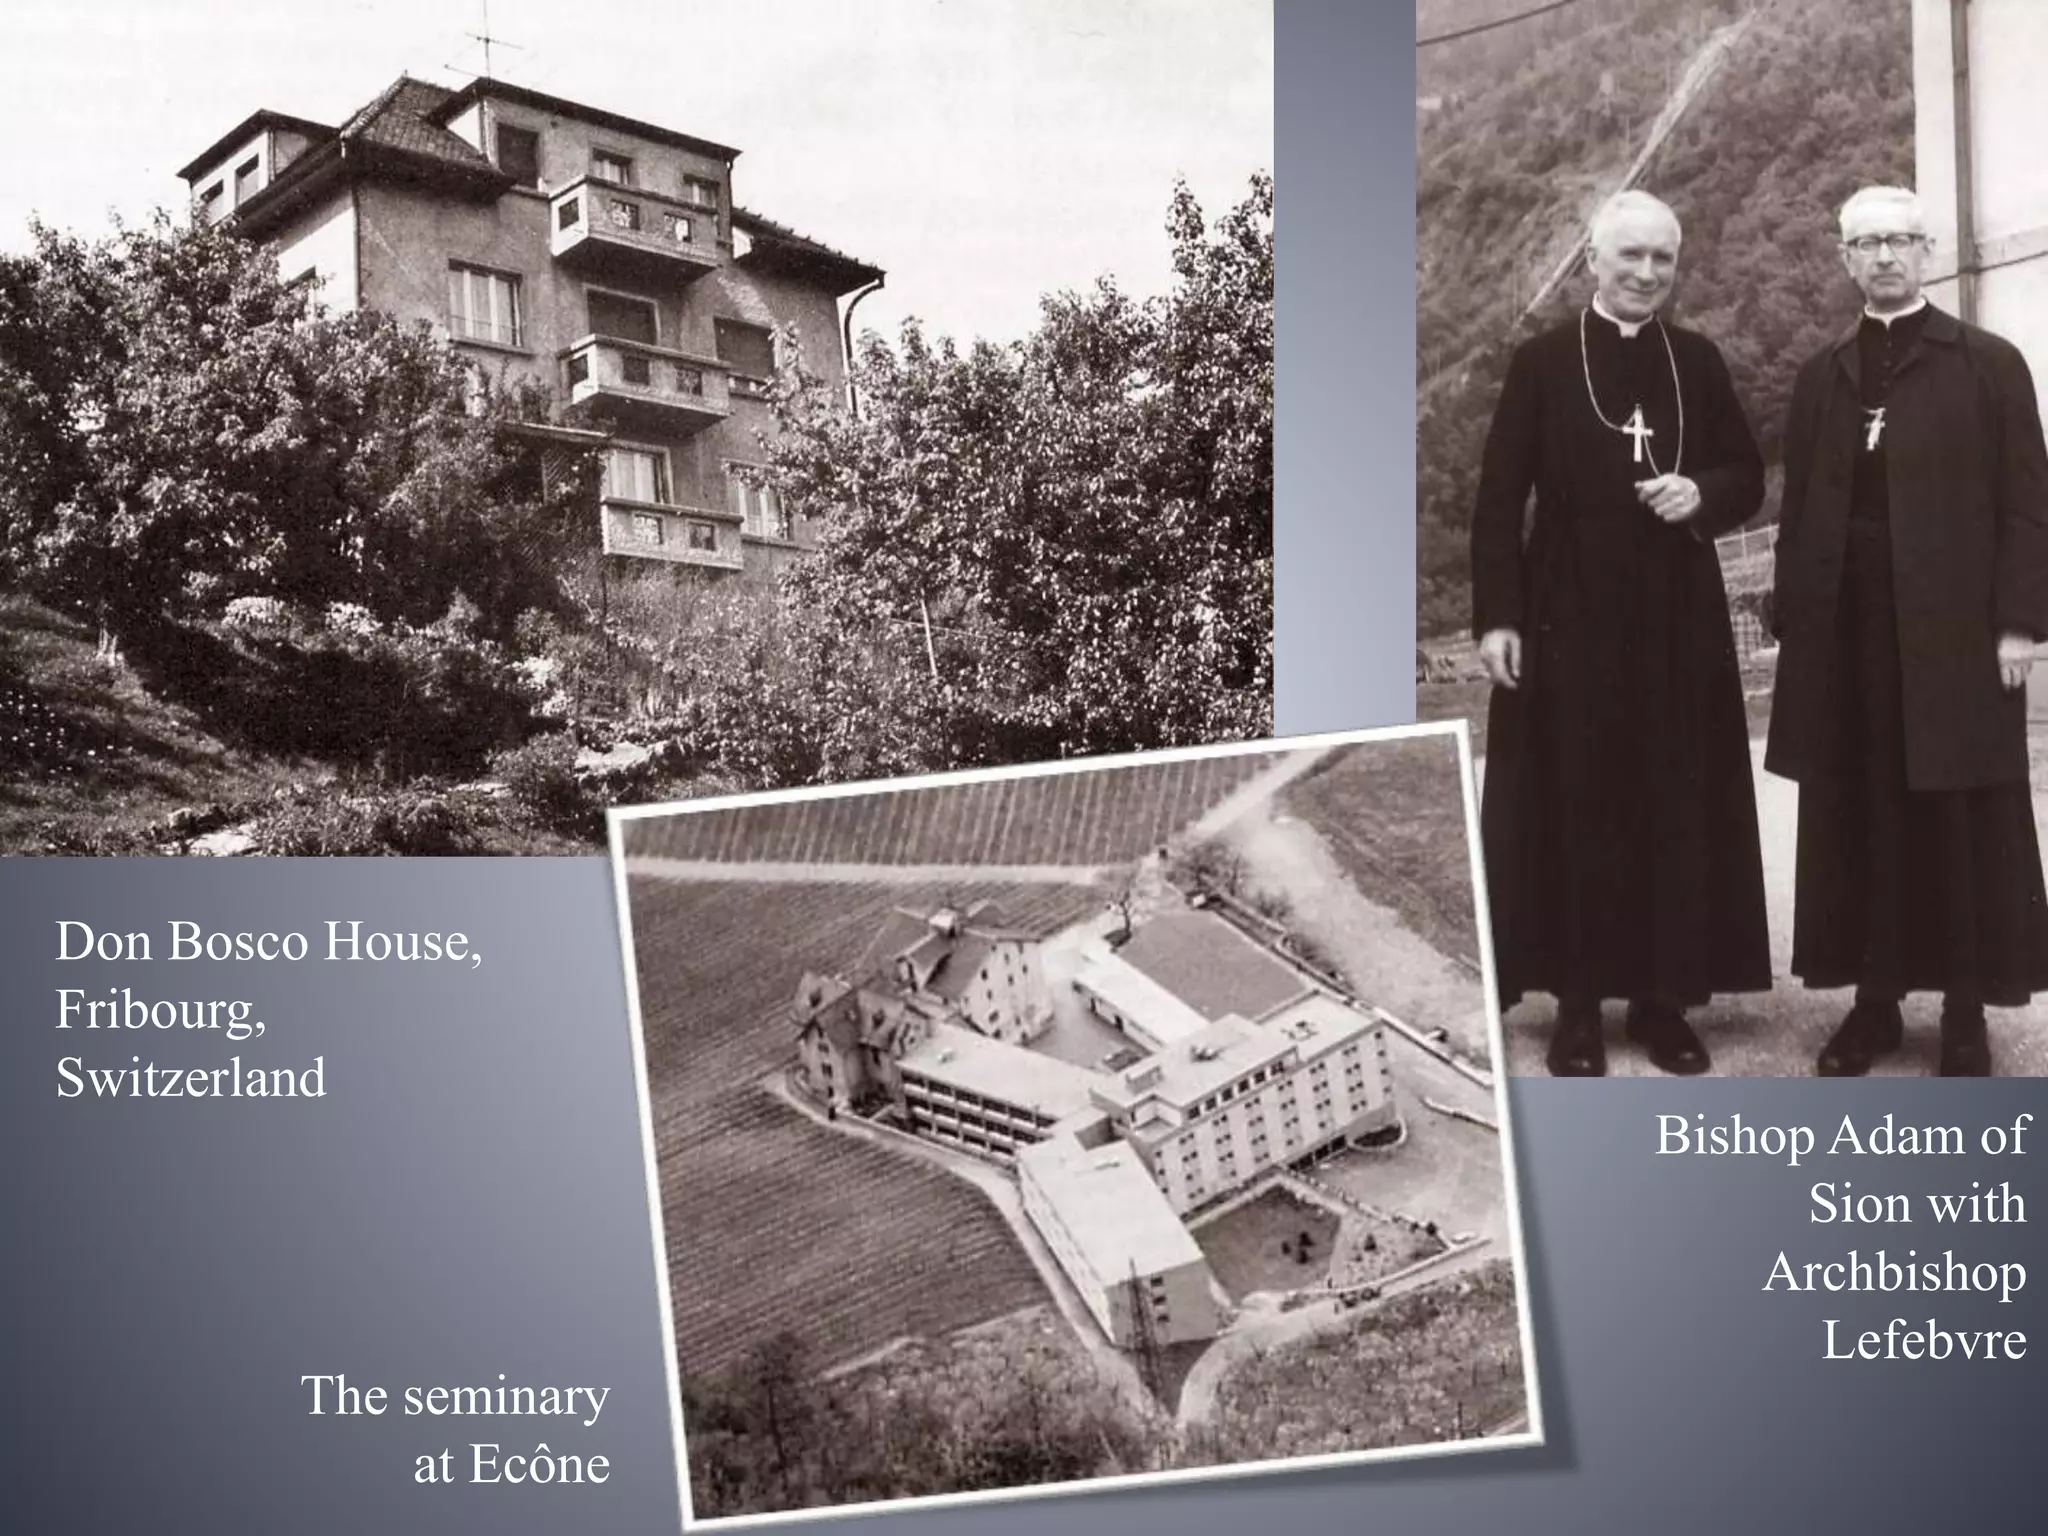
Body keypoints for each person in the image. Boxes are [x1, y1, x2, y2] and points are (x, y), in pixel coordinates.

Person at [1471, 189, 1772, 1077]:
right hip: (1568, 614)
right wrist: (1498, 616)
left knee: (1672, 800)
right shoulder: (1542, 363)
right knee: (1579, 804)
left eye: (1663, 260)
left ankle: (1661, 1001)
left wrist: (1702, 495)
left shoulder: (1699, 361)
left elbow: (1747, 476)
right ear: (1592, 260)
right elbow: (1498, 501)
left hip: (1677, 616)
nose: (1646, 274)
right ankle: (1576, 1006)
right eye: (1630, 256)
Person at [1766, 185, 2048, 1077]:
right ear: (1845, 258)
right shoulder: (1824, 375)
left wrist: (2020, 625)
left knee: (1958, 819)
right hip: (1849, 639)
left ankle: (1965, 1011)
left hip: (1959, 634)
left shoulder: (1988, 363)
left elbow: (2028, 505)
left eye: (1900, 240)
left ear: (1927, 251)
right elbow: (1799, 512)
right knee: (1862, 817)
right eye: (1866, 243)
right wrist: (1797, 622)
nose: (1884, 256)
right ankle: (1873, 1005)